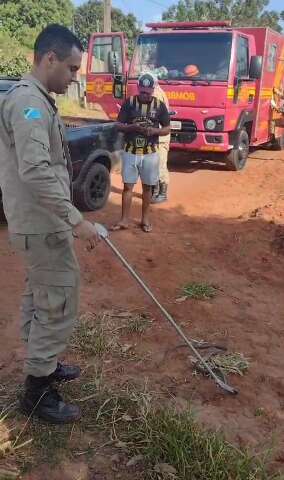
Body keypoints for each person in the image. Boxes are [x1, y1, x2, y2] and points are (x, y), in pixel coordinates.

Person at [0, 24, 100, 424]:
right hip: (42, 222)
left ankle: (44, 361)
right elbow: (37, 171)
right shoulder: (29, 104)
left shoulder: (37, 99)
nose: (75, 77)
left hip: (41, 221)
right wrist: (77, 219)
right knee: (58, 299)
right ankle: (37, 392)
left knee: (42, 294)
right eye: (73, 69)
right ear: (50, 59)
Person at [112, 73, 170, 232]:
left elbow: (167, 128)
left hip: (150, 154)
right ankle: (124, 220)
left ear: (153, 89)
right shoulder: (129, 103)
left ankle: (145, 220)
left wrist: (154, 131)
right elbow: (118, 125)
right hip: (130, 152)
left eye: (148, 92)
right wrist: (131, 128)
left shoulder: (159, 105)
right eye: (142, 91)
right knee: (127, 187)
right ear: (138, 88)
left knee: (147, 188)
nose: (144, 95)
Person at [151, 82, 171, 204]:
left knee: (160, 166)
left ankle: (162, 194)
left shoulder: (157, 94)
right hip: (156, 136)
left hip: (160, 137)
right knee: (153, 166)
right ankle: (155, 192)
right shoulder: (156, 93)